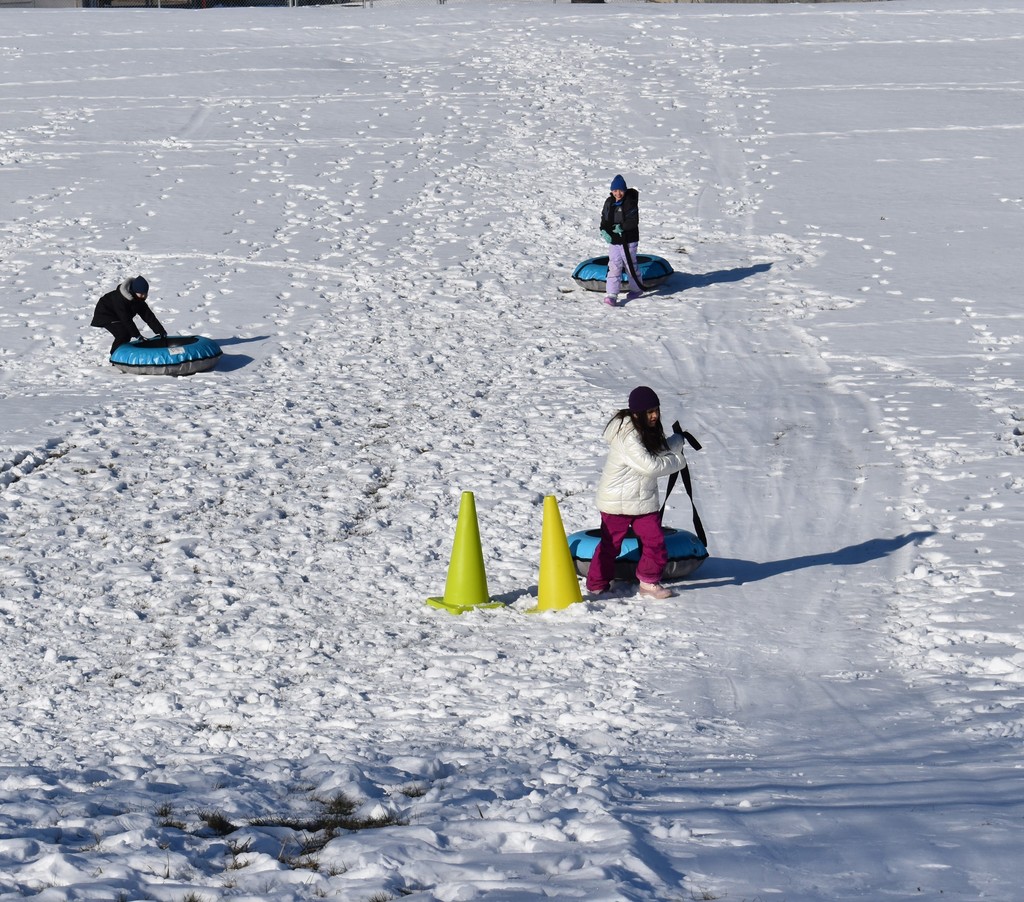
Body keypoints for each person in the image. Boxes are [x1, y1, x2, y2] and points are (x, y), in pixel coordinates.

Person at [586, 386, 688, 599]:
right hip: (617, 502)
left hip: (643, 501)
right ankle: (597, 584)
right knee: (610, 545)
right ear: (636, 413)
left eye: (656, 410)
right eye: (649, 412)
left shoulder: (645, 430)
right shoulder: (627, 436)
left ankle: (649, 582)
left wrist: (677, 441)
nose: (654, 415)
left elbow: (656, 449)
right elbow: (650, 465)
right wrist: (679, 461)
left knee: (655, 541)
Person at [599, 174, 644, 307]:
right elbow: (604, 218)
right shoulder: (609, 202)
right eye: (615, 190)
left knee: (629, 265)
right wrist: (603, 230)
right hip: (614, 241)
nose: (618, 194)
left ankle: (636, 288)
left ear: (624, 190)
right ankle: (612, 294)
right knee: (614, 265)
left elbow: (633, 221)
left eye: (620, 190)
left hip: (628, 240)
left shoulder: (630, 202)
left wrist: (622, 227)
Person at [90, 276, 167, 354]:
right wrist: (137, 335)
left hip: (119, 315)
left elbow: (149, 316)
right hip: (106, 314)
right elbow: (126, 319)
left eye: (145, 293)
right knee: (123, 334)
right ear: (133, 291)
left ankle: (121, 354)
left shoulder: (139, 300)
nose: (143, 296)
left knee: (126, 334)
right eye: (141, 294)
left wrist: (160, 331)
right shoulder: (120, 299)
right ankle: (115, 356)